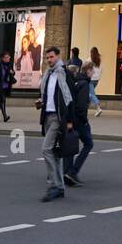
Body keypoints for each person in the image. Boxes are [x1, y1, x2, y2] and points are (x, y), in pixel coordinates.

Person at [36, 46, 76, 202]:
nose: (49, 60)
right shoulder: (48, 74)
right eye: (47, 58)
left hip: (59, 119)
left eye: (51, 57)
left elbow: (70, 98)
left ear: (59, 56)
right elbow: (47, 95)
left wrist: (70, 121)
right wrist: (41, 101)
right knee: (54, 153)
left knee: (46, 149)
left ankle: (53, 185)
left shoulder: (64, 74)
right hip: (47, 116)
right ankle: (59, 188)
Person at [64, 62, 95, 186]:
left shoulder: (76, 81)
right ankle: (72, 172)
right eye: (93, 70)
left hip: (71, 118)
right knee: (88, 144)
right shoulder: (84, 84)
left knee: (70, 145)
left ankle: (66, 172)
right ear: (88, 70)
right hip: (79, 120)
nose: (93, 73)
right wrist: (84, 120)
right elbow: (81, 105)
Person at [0, 49, 16, 121]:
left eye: (9, 57)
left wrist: (12, 72)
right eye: (6, 57)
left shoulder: (9, 65)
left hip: (5, 86)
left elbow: (12, 73)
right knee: (3, 100)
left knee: (0, 102)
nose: (8, 59)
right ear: (3, 58)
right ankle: (5, 116)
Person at [89, 47, 102, 115]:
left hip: (90, 79)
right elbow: (101, 69)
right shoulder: (99, 60)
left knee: (91, 94)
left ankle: (98, 107)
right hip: (96, 80)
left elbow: (85, 68)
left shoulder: (89, 60)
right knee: (90, 93)